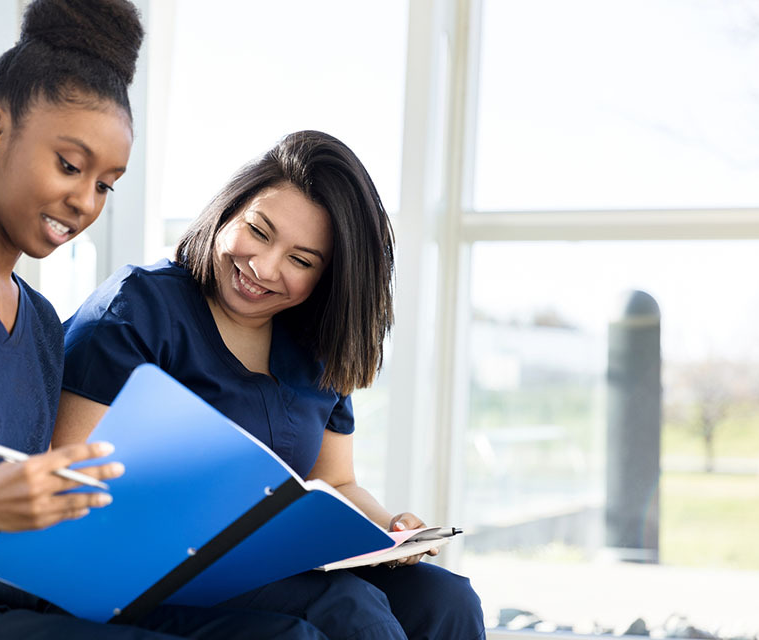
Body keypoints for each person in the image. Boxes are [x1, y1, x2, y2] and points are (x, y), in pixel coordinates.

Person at [0, 2, 326, 638]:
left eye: (107, 184)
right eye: (69, 165)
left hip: (20, 601)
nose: (85, 201)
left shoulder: (38, 322)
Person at [56, 130, 487, 639]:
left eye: (301, 261)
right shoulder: (136, 311)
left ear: (329, 277)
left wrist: (390, 533)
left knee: (448, 599)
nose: (262, 268)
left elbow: (336, 483)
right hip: (141, 570)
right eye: (258, 232)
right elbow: (67, 479)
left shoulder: (315, 346)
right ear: (229, 211)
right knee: (348, 610)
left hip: (269, 566)